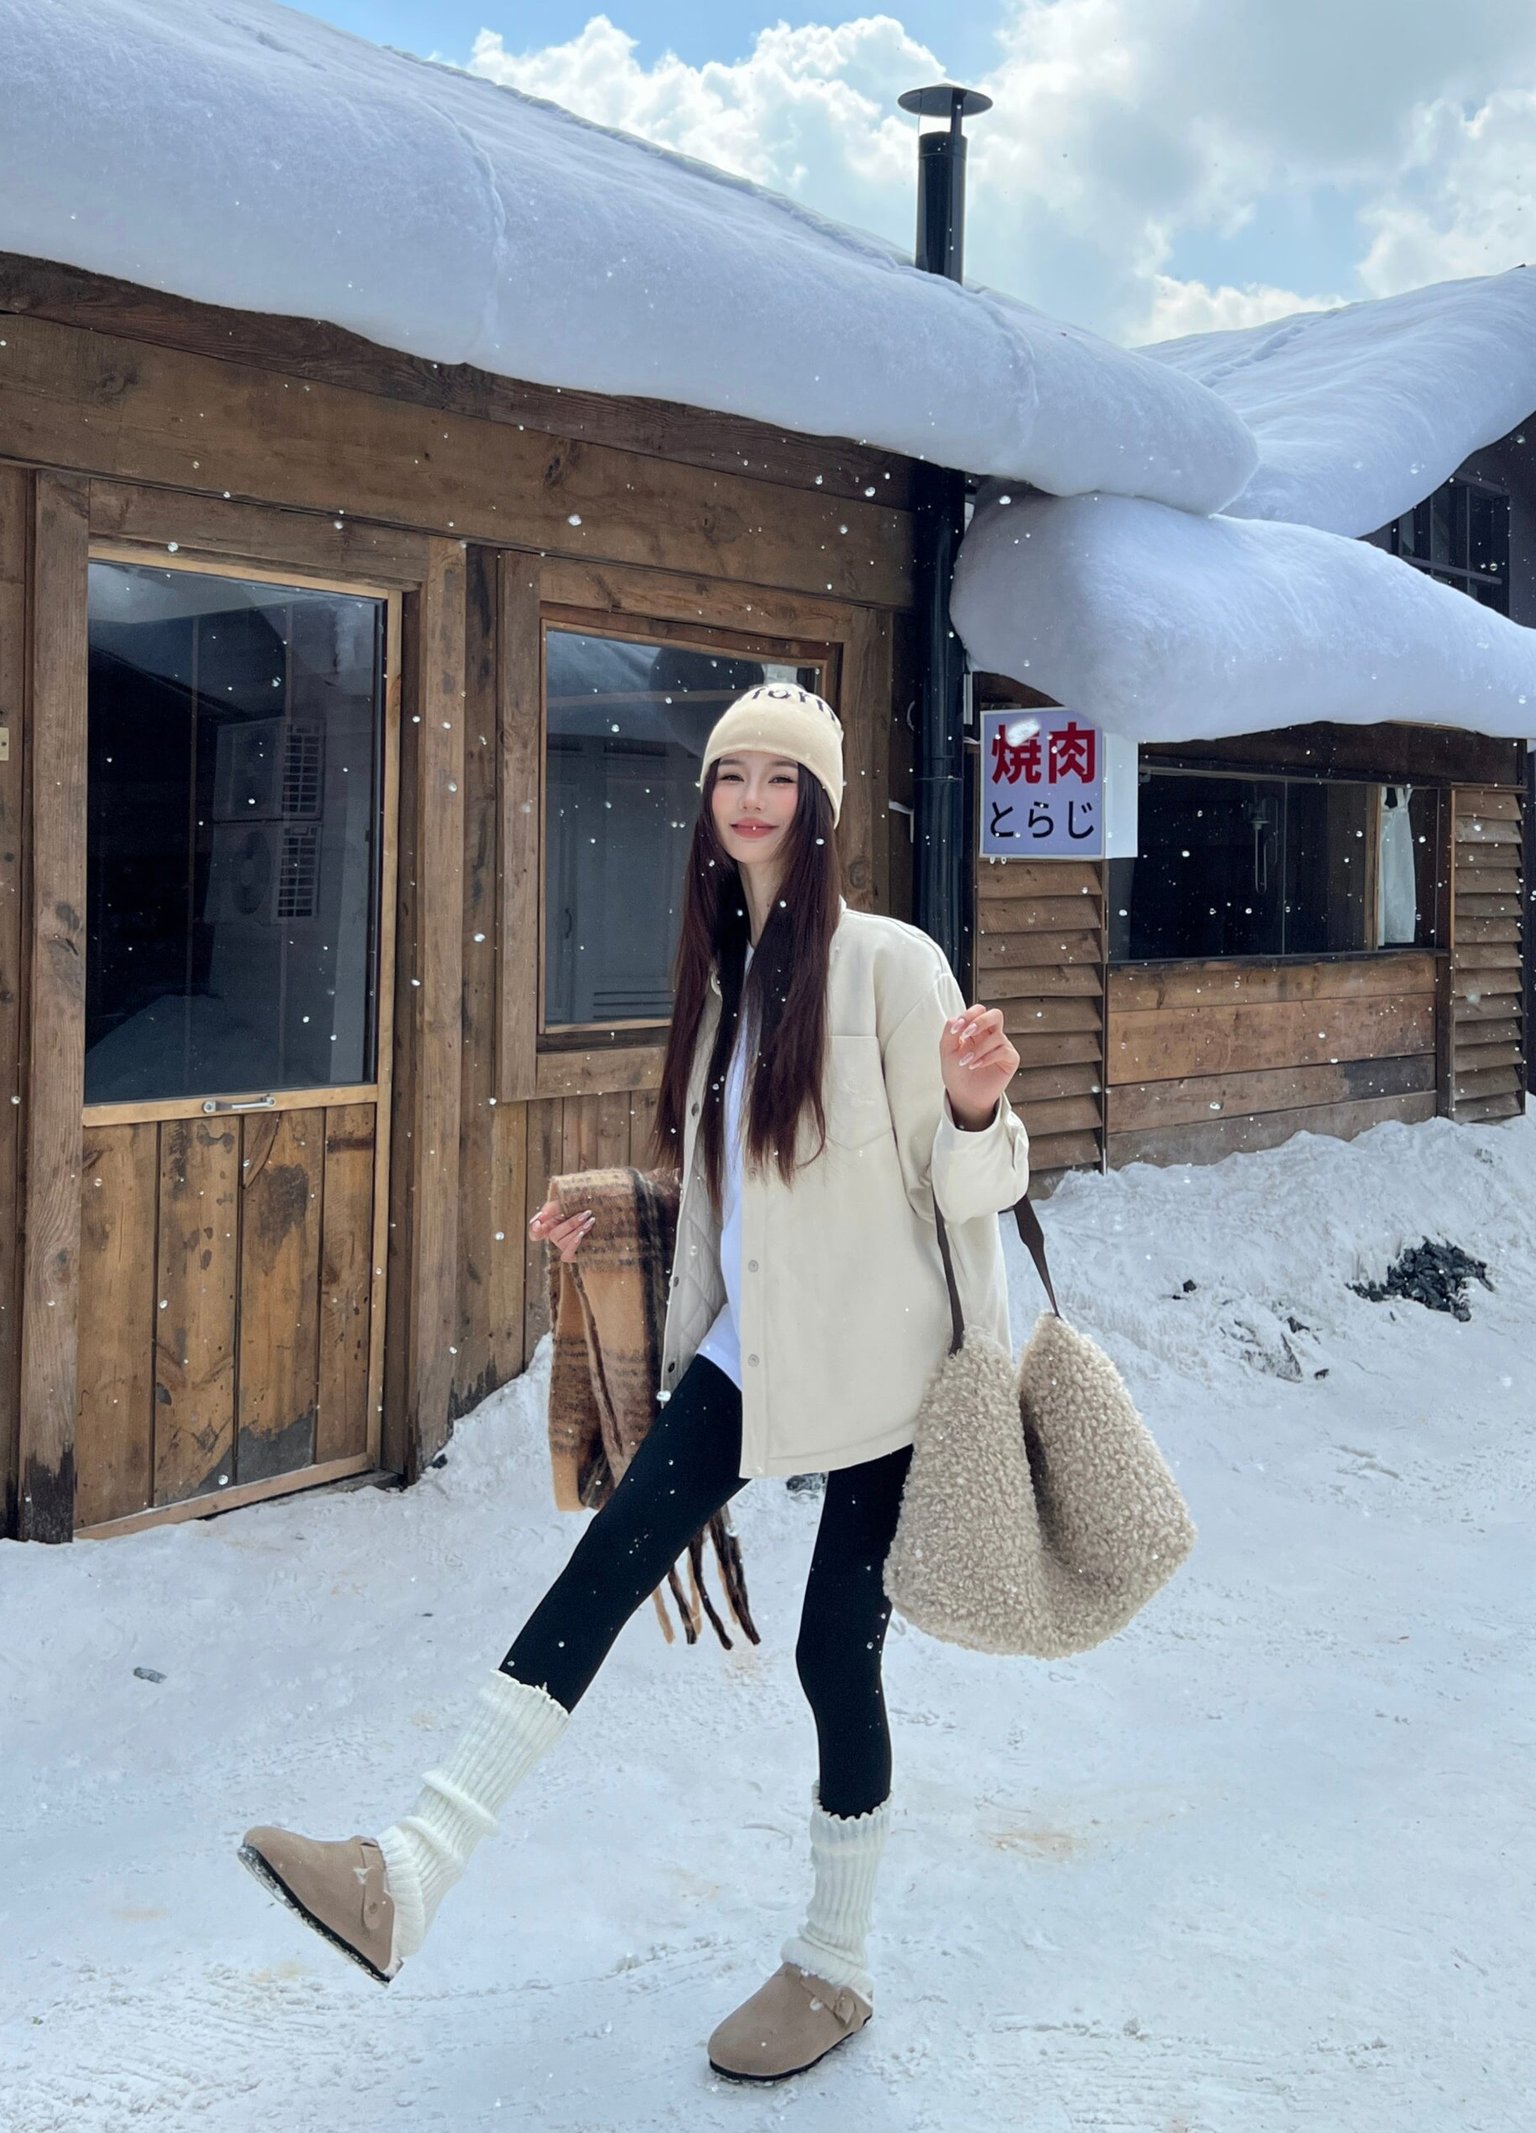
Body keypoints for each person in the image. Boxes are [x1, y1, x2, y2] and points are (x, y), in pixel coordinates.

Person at [239, 681, 1029, 2081]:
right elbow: (757, 1190)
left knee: (831, 1652)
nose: (751, 800)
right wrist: (629, 1210)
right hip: (756, 1352)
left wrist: (976, 1105)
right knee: (604, 1568)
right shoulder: (728, 982)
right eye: (732, 774)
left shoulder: (894, 966)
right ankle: (409, 1870)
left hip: (891, 1371)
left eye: (781, 778)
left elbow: (972, 1184)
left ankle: (835, 1963)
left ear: (821, 805)